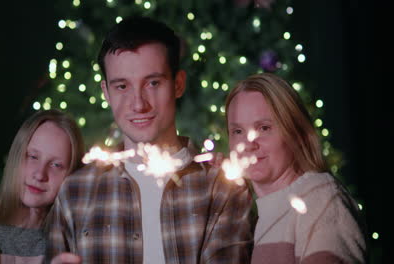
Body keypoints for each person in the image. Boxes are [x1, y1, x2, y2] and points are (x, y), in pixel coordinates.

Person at [45, 16, 253, 264]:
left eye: (153, 83)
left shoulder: (222, 188)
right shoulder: (75, 192)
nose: (138, 104)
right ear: (106, 93)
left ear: (178, 84)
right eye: (122, 86)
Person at [225, 73, 367, 263]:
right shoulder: (263, 218)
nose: (248, 144)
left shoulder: (319, 198)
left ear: (295, 132)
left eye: (264, 128)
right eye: (238, 131)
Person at [0, 109, 85, 264]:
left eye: (56, 165)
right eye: (32, 156)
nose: (40, 174)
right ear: (16, 157)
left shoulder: (77, 245)